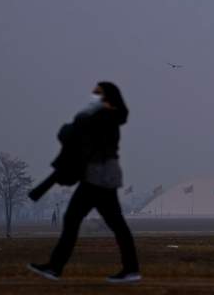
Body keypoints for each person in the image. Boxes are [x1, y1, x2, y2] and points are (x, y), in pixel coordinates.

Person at [28, 82, 141, 284]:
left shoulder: (104, 117)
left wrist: (78, 121)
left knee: (76, 219)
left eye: (97, 92)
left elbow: (70, 134)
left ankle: (55, 267)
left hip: (99, 177)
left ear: (107, 97)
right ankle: (130, 268)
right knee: (112, 223)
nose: (93, 95)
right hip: (100, 176)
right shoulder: (103, 116)